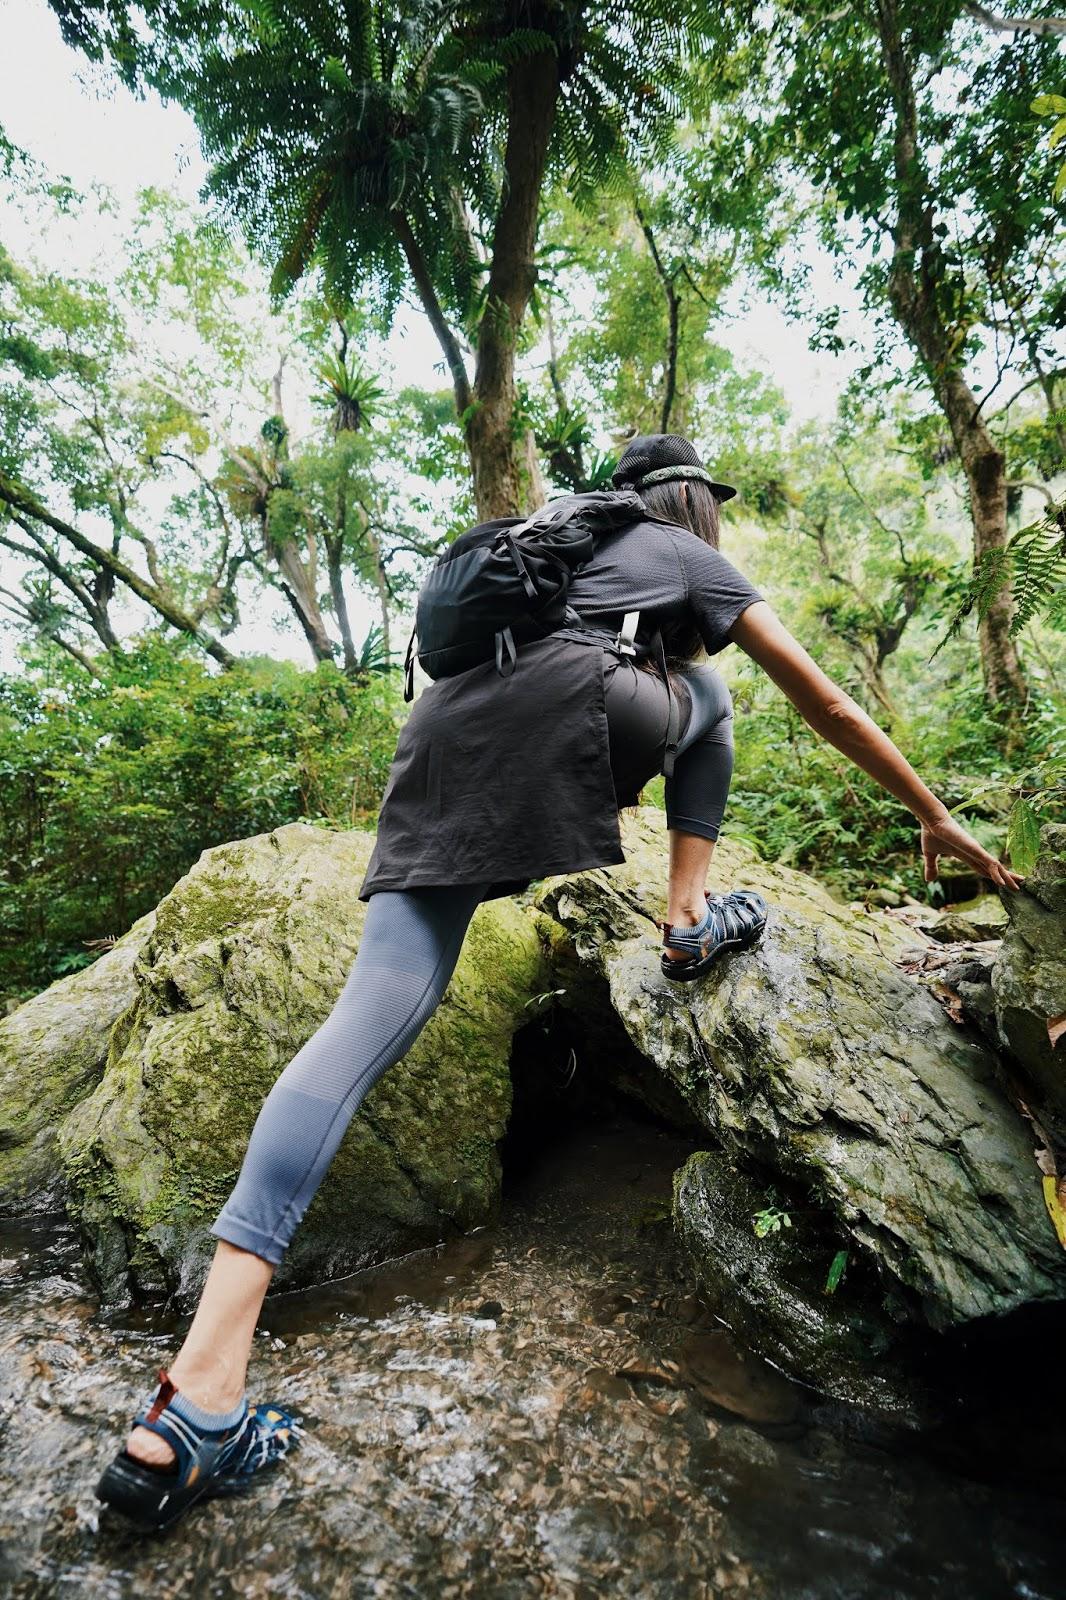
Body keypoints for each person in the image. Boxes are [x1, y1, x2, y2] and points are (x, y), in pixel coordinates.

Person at [96, 433, 1023, 1529]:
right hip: (583, 705)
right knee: (713, 699)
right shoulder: (681, 551)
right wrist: (932, 811)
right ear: (691, 505)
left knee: (363, 1021)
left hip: (443, 737)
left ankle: (194, 1400)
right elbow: (825, 704)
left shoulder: (552, 543)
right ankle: (687, 919)